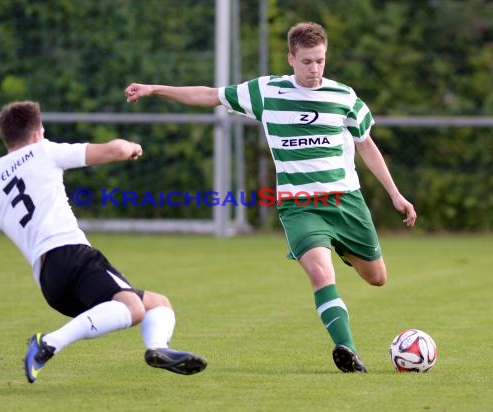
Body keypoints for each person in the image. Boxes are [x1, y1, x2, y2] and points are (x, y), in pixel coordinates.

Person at [124, 22, 416, 373]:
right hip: (299, 205)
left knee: (377, 277)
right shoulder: (266, 92)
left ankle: (342, 247)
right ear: (291, 58)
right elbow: (209, 94)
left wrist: (396, 194)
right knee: (321, 276)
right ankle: (347, 350)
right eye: (307, 61)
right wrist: (155, 89)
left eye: (320, 61)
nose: (314, 69)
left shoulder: (343, 97)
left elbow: (365, 143)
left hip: (345, 202)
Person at [0, 101, 207, 383]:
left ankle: (158, 349)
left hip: (49, 283)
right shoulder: (43, 150)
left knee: (157, 303)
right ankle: (48, 342)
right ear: (38, 132)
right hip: (72, 255)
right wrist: (132, 147)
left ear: (6, 138)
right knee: (133, 308)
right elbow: (114, 150)